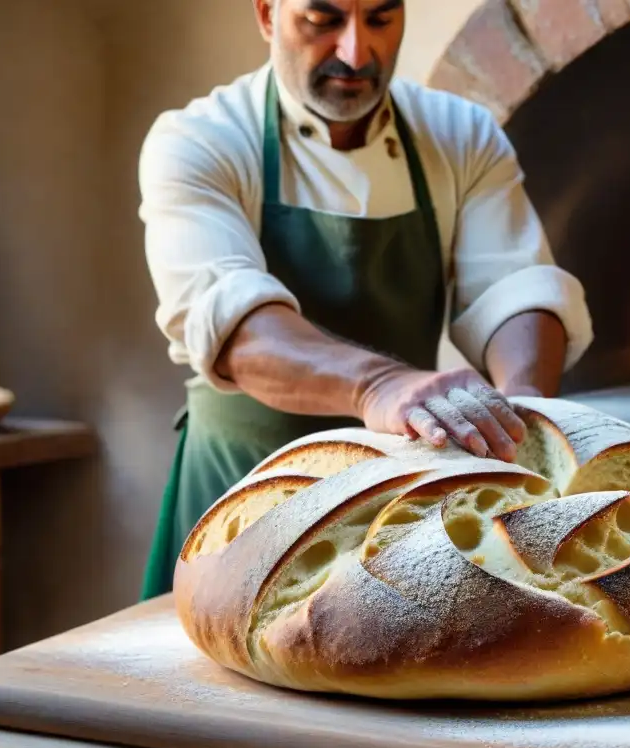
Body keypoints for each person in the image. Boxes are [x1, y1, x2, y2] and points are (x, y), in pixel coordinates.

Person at [137, 0, 594, 599]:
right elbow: (238, 330)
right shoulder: (201, 141)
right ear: (268, 14)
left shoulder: (459, 136)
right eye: (323, 21)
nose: (356, 54)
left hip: (395, 518)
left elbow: (516, 287)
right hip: (238, 507)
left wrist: (527, 411)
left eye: (380, 20)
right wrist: (379, 386)